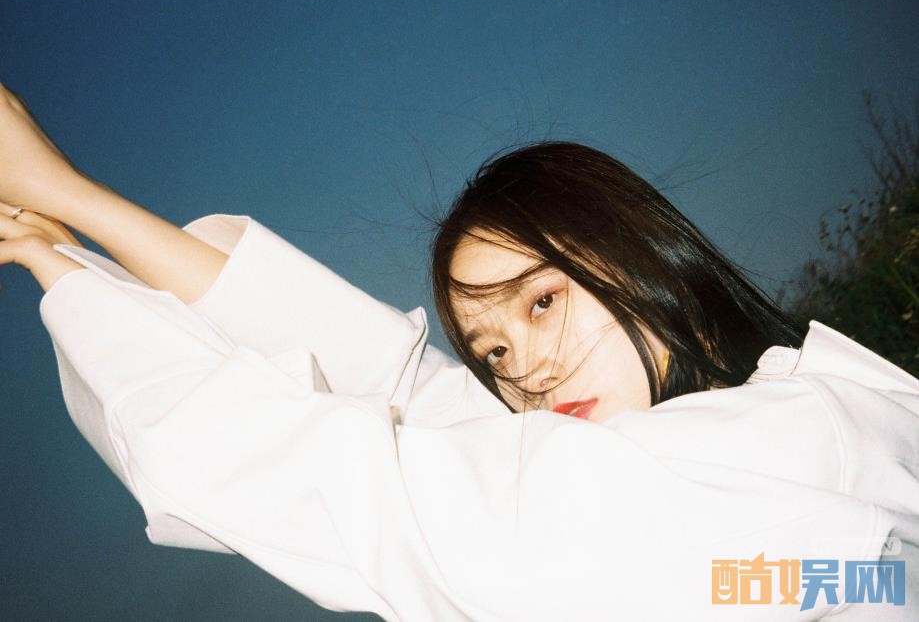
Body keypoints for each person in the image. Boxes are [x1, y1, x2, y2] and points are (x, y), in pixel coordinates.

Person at [2, 82, 918, 620]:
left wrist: (68, 243)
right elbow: (400, 387)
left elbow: (391, 495)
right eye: (494, 352)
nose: (526, 370)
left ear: (641, 256)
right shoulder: (777, 431)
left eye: (543, 302)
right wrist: (62, 222)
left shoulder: (788, 437)